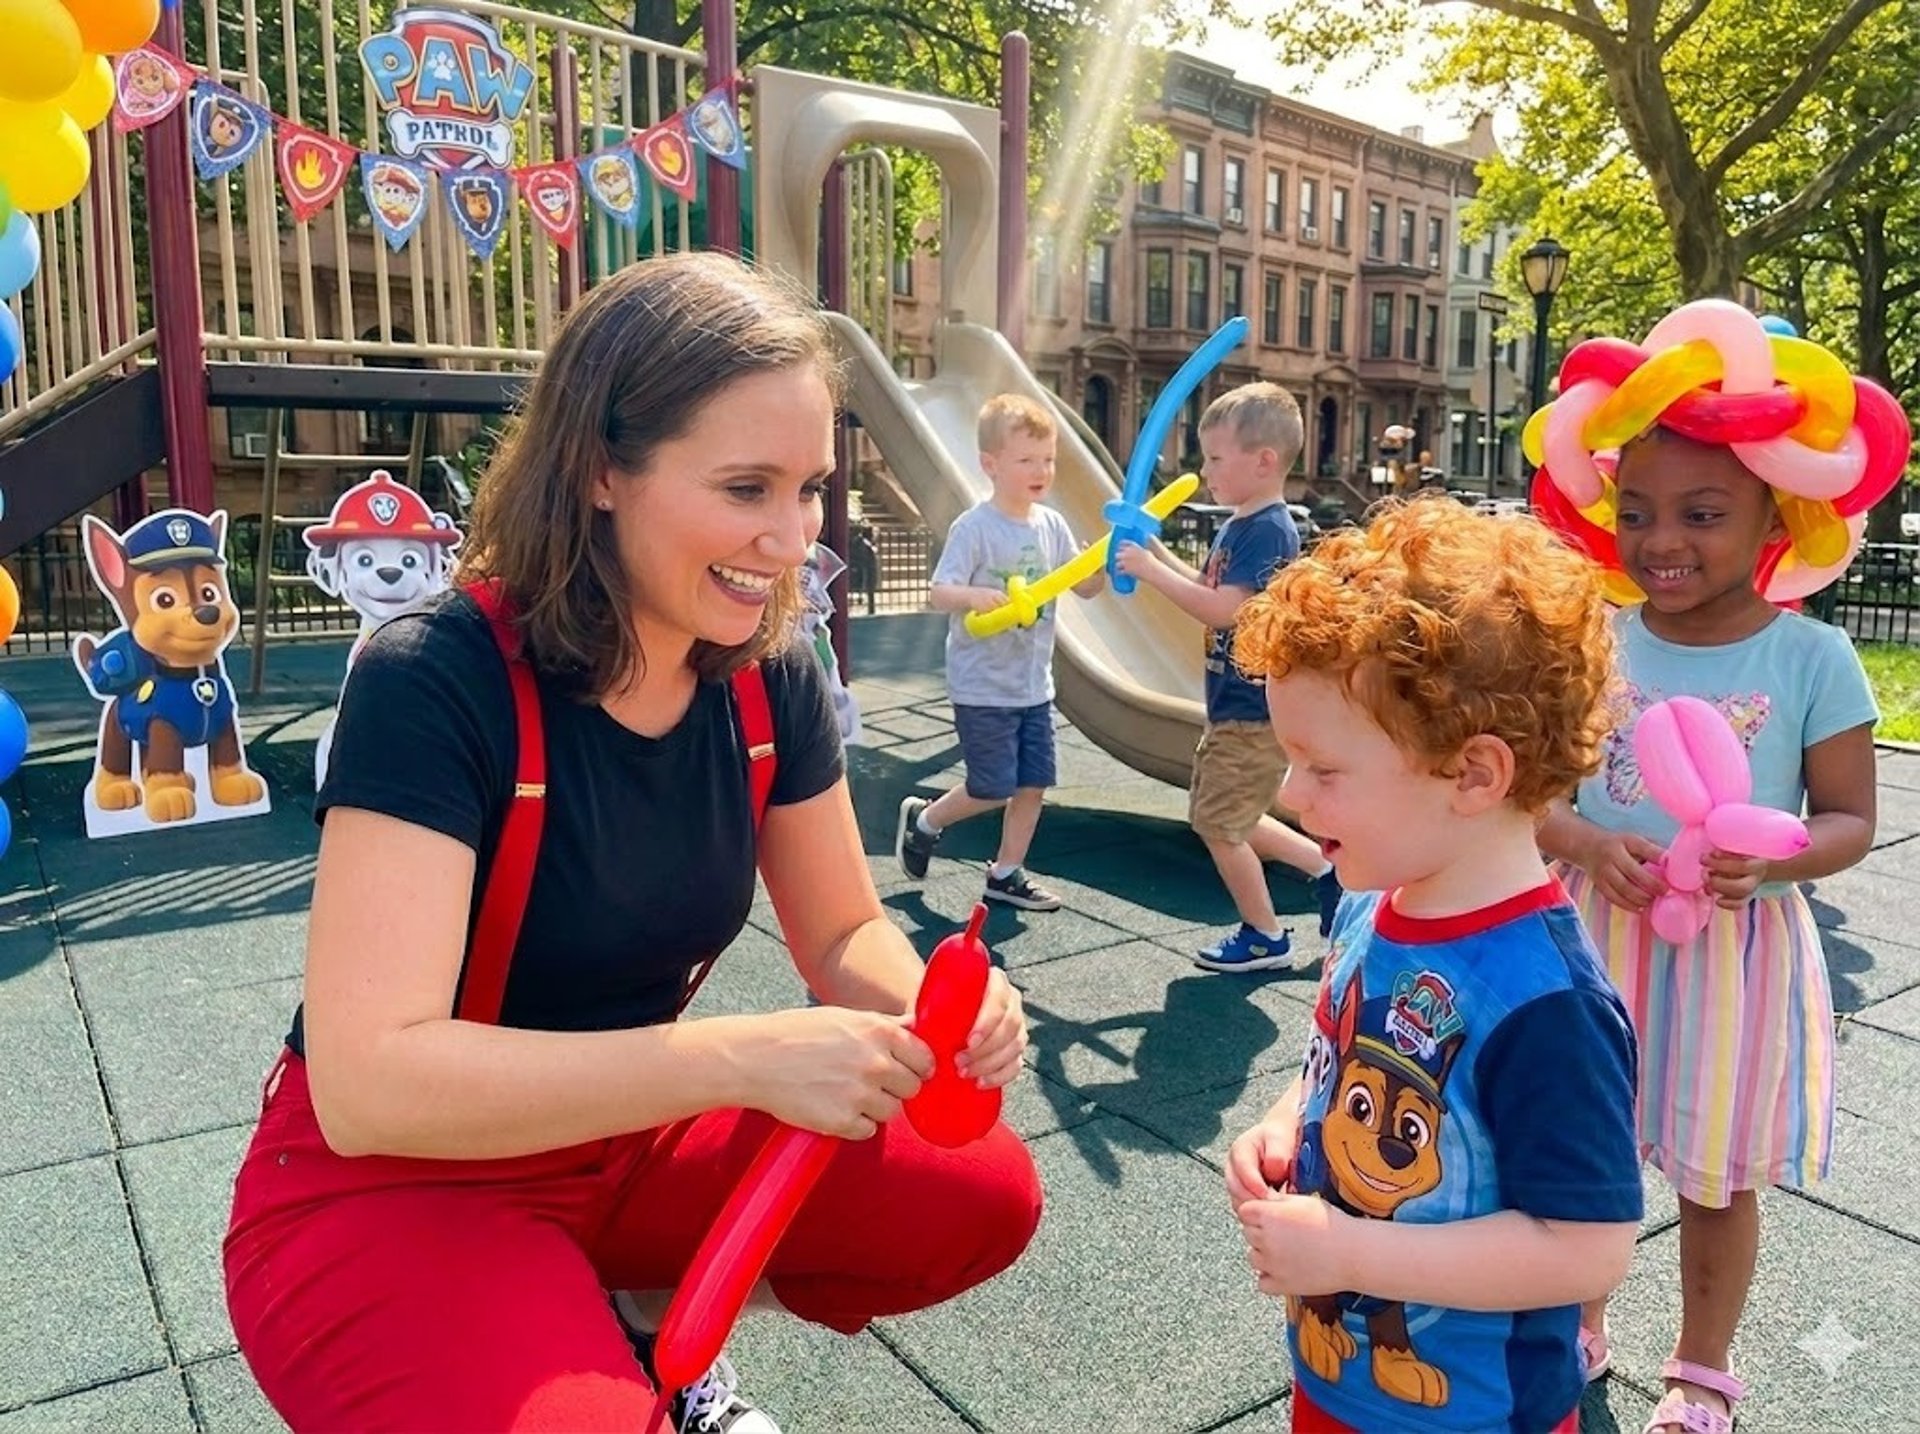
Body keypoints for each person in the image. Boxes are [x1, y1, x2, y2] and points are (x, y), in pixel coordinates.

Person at [222, 253, 1042, 1434]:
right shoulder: (437, 677)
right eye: (747, 488)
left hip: (624, 1135)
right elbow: (370, 1086)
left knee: (979, 1193)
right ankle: (584, 1342)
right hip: (397, 1176)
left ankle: (647, 1328)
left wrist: (938, 1005)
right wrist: (738, 1056)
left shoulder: (769, 676)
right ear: (601, 470)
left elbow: (844, 931)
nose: (792, 539)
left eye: (811, 488)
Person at [1224, 498, 1643, 1434]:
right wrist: (1285, 1121)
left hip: (1473, 1415)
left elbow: (1588, 1250)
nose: (1290, 795)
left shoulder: (1547, 1003)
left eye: (1323, 769)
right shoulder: (1372, 899)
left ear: (1473, 775)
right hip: (1337, 1383)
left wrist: (1349, 1255)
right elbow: (1338, 1055)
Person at [1539, 427, 1878, 1434]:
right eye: (1636, 512)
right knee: (1579, 1147)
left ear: (1776, 520)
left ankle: (1701, 1367)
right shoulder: (1597, 640)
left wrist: (1772, 861)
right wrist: (1589, 842)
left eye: (1702, 514)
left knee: (1716, 1173)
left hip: (1734, 954)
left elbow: (1850, 818)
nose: (1661, 539)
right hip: (1597, 935)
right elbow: (1538, 795)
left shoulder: (1812, 656)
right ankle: (1577, 1319)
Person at [1115, 383, 1340, 971]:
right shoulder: (1239, 524)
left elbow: (1227, 610)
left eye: (1215, 458)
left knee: (1219, 826)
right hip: (1233, 706)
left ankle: (1265, 935)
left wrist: (1149, 571)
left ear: (1263, 461)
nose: (1204, 470)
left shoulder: (1269, 530)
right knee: (1231, 816)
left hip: (1250, 710)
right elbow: (1207, 586)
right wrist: (1151, 550)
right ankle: (1325, 869)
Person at [895, 393, 1104, 910]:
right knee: (991, 787)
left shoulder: (1052, 526)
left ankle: (1006, 873)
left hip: (1034, 686)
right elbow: (939, 592)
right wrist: (974, 596)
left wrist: (1104, 566)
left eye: (1048, 459)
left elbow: (1085, 587)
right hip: (983, 684)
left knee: (1033, 785)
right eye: (1026, 459)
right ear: (991, 465)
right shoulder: (976, 528)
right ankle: (926, 819)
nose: (1041, 470)